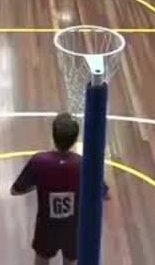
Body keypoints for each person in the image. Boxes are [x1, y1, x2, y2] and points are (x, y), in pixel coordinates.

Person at [11, 113, 103, 265]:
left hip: (46, 227)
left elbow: (15, 190)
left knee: (42, 260)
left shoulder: (39, 161)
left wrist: (38, 184)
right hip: (73, 228)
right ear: (75, 139)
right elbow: (101, 192)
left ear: (53, 135)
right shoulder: (83, 164)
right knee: (70, 261)